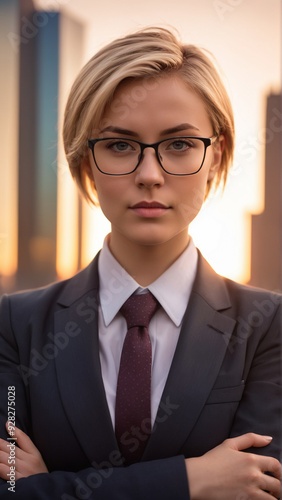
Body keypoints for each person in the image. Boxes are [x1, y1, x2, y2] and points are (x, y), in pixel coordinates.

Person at [0, 26, 281, 500]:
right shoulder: (15, 323)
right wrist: (192, 481)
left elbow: (265, 487)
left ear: (217, 157)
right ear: (84, 160)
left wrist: (47, 488)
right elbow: (6, 488)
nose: (149, 176)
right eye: (119, 145)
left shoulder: (269, 326)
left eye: (179, 145)